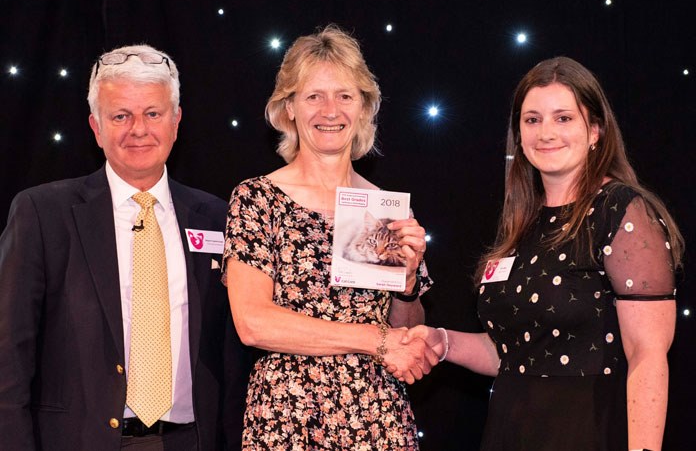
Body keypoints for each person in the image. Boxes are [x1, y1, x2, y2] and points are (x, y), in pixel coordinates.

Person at [403, 56, 683, 450]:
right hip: (510, 431)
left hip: (589, 431)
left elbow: (648, 355)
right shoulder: (523, 224)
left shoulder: (620, 211)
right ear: (518, 134)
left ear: (596, 130)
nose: (546, 132)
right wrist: (442, 341)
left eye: (563, 118)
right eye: (532, 120)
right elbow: (515, 352)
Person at [0, 44, 249, 451]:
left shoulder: (219, 217)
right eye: (121, 116)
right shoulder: (42, 214)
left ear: (176, 121)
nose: (139, 129)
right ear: (96, 127)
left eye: (153, 113)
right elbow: (8, 355)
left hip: (193, 441)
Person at [223, 25, 437, 450]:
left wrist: (408, 286)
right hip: (288, 420)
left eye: (344, 95)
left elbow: (407, 335)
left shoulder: (386, 209)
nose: (330, 110)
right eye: (313, 96)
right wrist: (374, 340)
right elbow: (252, 323)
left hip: (378, 419)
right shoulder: (257, 199)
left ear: (363, 109)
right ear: (288, 109)